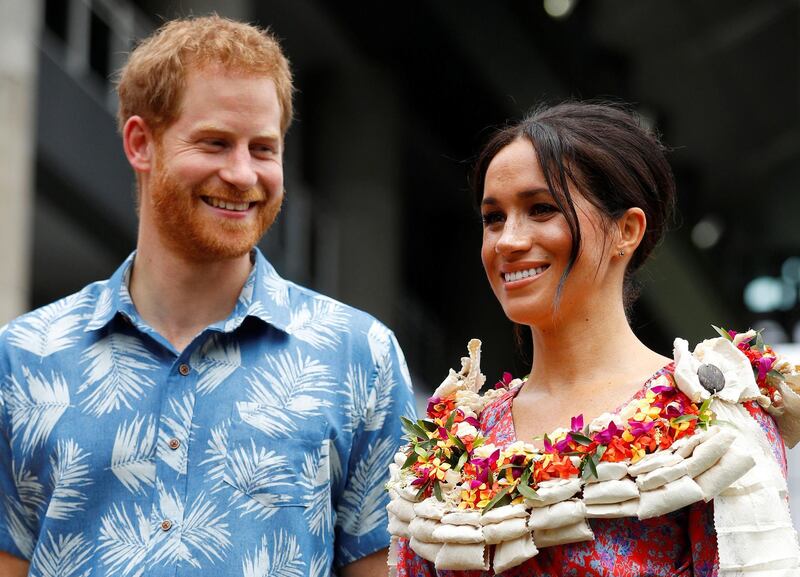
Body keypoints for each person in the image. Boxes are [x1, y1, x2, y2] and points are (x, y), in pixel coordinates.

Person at [0, 14, 414, 577]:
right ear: (140, 143)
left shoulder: (359, 355)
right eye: (216, 142)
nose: (243, 174)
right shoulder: (24, 356)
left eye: (263, 149)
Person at [391, 102, 796, 576]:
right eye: (493, 217)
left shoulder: (711, 418)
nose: (507, 241)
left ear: (627, 230)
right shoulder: (452, 444)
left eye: (541, 209)